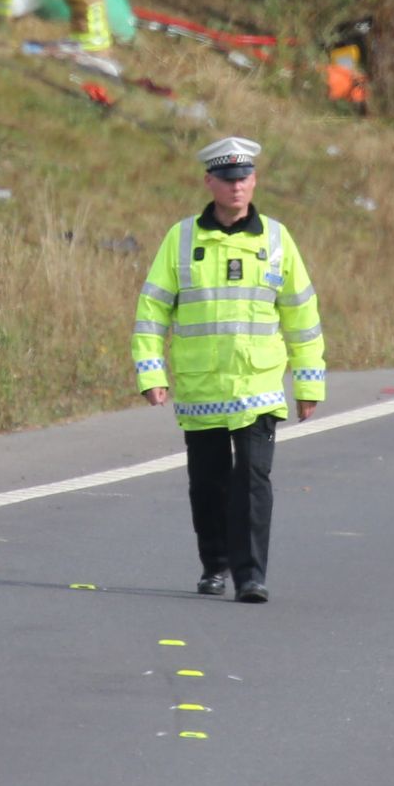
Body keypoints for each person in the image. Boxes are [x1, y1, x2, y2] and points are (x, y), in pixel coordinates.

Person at [132, 136, 326, 603]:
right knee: (208, 483)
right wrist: (152, 375)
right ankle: (214, 564)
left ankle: (251, 575)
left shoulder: (277, 240)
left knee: (253, 480)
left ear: (254, 181)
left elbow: (301, 315)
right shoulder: (181, 239)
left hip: (259, 386)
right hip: (202, 387)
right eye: (227, 179)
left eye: (244, 178)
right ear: (209, 182)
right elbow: (152, 311)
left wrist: (308, 381)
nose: (237, 187)